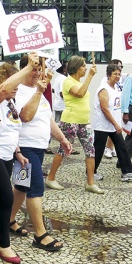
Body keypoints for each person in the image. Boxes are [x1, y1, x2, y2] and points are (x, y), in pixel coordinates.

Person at [10, 56, 72, 252]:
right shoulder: (19, 90)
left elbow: (48, 120)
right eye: (33, 69)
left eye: (40, 69)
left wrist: (62, 138)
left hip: (38, 148)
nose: (37, 73)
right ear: (25, 69)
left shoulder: (41, 90)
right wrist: (38, 91)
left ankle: (9, 221)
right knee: (35, 188)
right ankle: (40, 235)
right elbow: (25, 116)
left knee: (21, 186)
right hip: (25, 149)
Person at [0, 57, 40, 264]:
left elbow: (13, 129)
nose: (16, 86)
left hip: (8, 155)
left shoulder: (11, 103)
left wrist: (18, 152)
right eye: (13, 82)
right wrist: (28, 67)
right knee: (6, 197)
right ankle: (5, 247)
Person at [46, 55, 104, 193]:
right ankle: (51, 177)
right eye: (84, 66)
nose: (86, 68)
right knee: (64, 150)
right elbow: (79, 93)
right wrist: (90, 77)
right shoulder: (68, 81)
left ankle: (90, 182)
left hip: (84, 121)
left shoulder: (79, 81)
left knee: (91, 150)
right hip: (70, 120)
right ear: (76, 67)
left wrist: (88, 77)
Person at [92, 64, 132, 182]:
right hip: (103, 125)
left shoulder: (116, 88)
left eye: (119, 74)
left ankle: (127, 172)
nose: (117, 76)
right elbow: (104, 109)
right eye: (115, 74)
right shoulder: (104, 89)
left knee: (121, 147)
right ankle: (91, 172)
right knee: (98, 149)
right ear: (108, 75)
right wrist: (116, 124)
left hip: (114, 124)